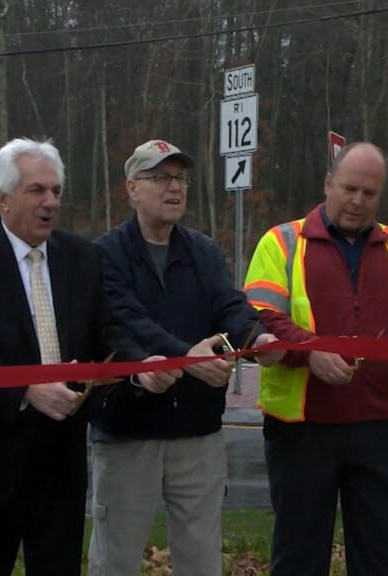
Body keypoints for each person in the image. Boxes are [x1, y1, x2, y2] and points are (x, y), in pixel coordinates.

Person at [0, 138, 181, 576]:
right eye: (36, 191)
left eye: (56, 192)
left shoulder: (80, 257)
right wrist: (26, 389)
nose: (50, 203)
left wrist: (140, 367)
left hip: (58, 465)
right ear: (1, 199)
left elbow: (107, 330)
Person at [243, 142, 388, 576]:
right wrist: (309, 353)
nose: (358, 201)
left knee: (381, 557)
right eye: (349, 188)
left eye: (370, 193)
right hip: (302, 429)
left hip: (385, 427)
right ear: (328, 184)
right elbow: (259, 316)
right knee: (298, 556)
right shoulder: (281, 242)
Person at [86, 139, 285, 575]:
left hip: (197, 432)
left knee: (201, 560)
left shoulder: (203, 250)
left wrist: (260, 336)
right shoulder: (105, 254)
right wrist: (183, 356)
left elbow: (230, 306)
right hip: (128, 431)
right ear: (132, 188)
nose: (173, 187)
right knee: (114, 560)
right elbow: (125, 320)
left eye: (179, 178)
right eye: (160, 178)